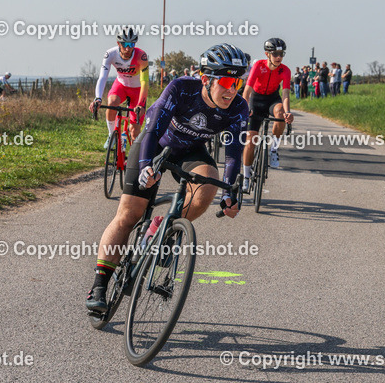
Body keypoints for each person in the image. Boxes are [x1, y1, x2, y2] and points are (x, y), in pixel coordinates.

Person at [85, 43, 249, 314]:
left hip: (191, 151)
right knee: (129, 213)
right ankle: (100, 285)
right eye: (227, 81)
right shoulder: (182, 88)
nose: (233, 89)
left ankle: (163, 228)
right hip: (156, 143)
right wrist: (147, 166)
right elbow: (150, 131)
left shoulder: (238, 108)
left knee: (207, 185)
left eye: (238, 82)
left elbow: (233, 155)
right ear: (206, 79)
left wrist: (230, 194)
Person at [241, 38, 294, 184]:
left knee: (281, 113)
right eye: (275, 54)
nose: (279, 57)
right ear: (267, 54)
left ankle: (274, 150)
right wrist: (246, 108)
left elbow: (285, 94)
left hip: (272, 99)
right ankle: (246, 177)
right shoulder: (258, 65)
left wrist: (288, 112)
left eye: (281, 54)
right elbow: (247, 90)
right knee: (250, 141)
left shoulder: (285, 70)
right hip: (256, 100)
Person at [89, 28, 150, 143]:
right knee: (111, 103)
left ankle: (133, 159)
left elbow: (145, 82)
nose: (128, 48)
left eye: (131, 44)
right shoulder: (110, 54)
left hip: (137, 90)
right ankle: (111, 136)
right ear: (118, 43)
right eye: (125, 44)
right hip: (121, 85)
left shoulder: (141, 56)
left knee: (134, 131)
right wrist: (98, 99)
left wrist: (141, 105)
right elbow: (103, 77)